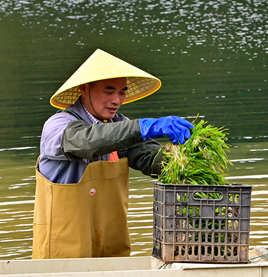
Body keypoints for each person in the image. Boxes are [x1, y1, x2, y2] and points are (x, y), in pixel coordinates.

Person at [32, 48, 193, 260]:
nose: (117, 100)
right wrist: (144, 127)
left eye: (122, 92)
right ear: (84, 89)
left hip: (109, 242)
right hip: (64, 246)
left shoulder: (120, 125)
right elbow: (86, 142)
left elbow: (148, 158)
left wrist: (182, 157)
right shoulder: (59, 125)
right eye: (109, 91)